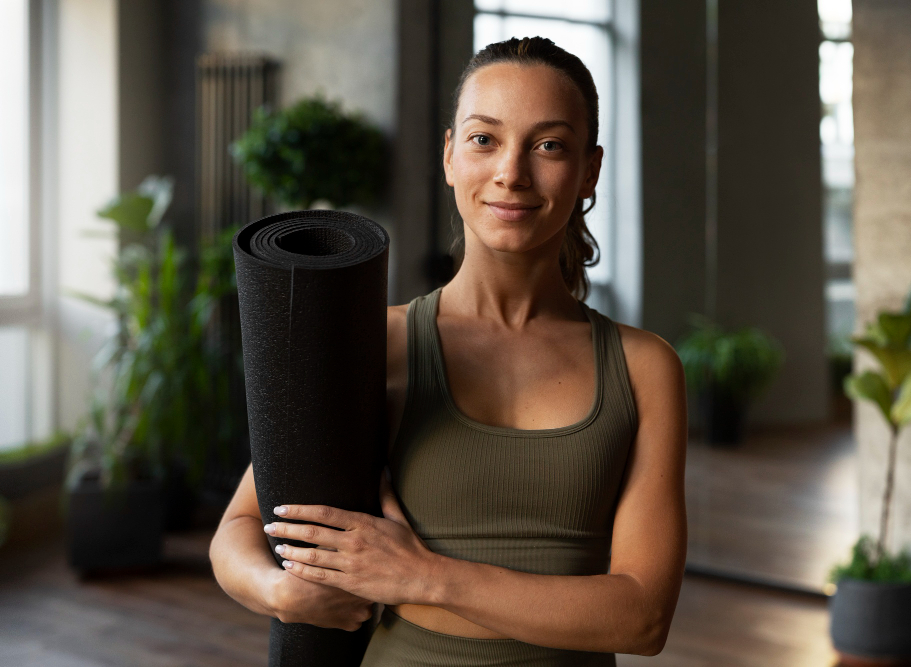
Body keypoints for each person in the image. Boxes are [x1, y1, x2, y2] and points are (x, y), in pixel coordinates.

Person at [209, 36, 687, 666]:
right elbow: (239, 531)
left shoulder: (643, 368)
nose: (511, 172)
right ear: (449, 156)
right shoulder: (380, 343)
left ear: (589, 169)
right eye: (484, 139)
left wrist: (422, 577)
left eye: (548, 145)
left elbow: (643, 618)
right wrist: (281, 591)